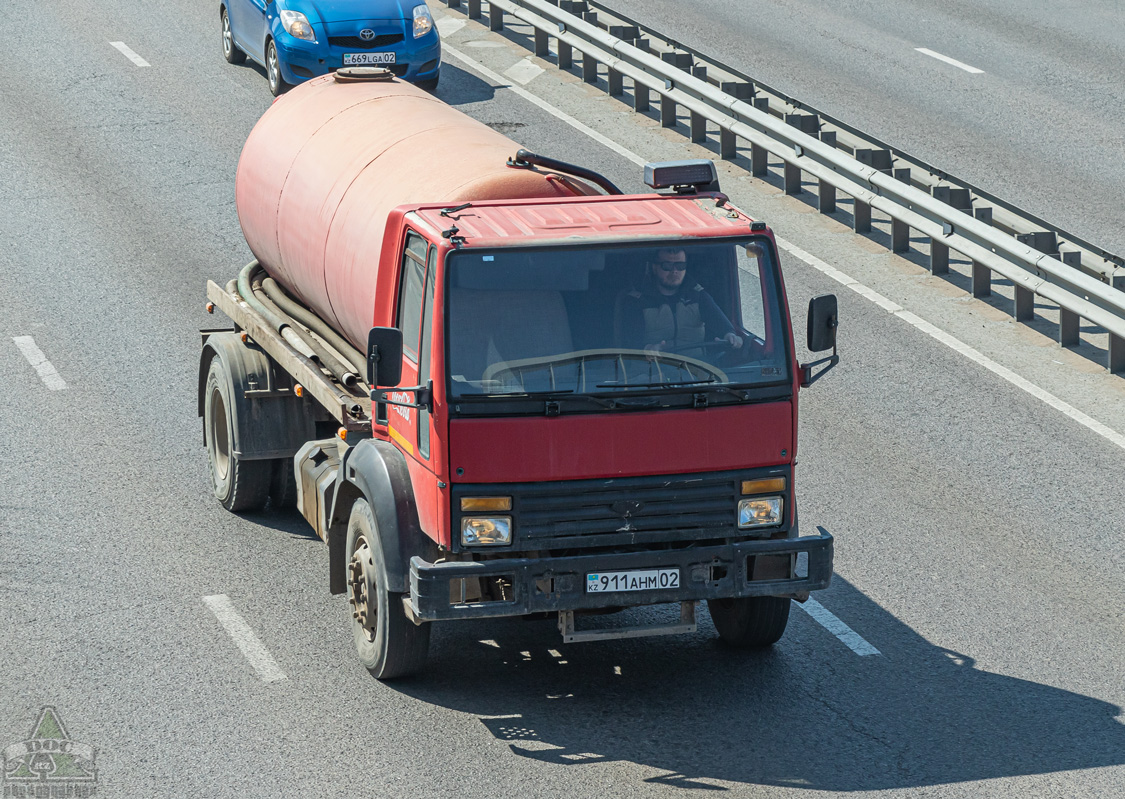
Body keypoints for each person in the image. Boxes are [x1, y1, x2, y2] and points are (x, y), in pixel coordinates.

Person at [614, 248, 743, 358]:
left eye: (680, 266)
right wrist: (649, 348)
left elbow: (724, 326)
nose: (674, 271)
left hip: (697, 371)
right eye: (667, 266)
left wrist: (730, 336)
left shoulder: (698, 296)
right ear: (654, 267)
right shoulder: (636, 301)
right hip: (649, 375)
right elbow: (628, 343)